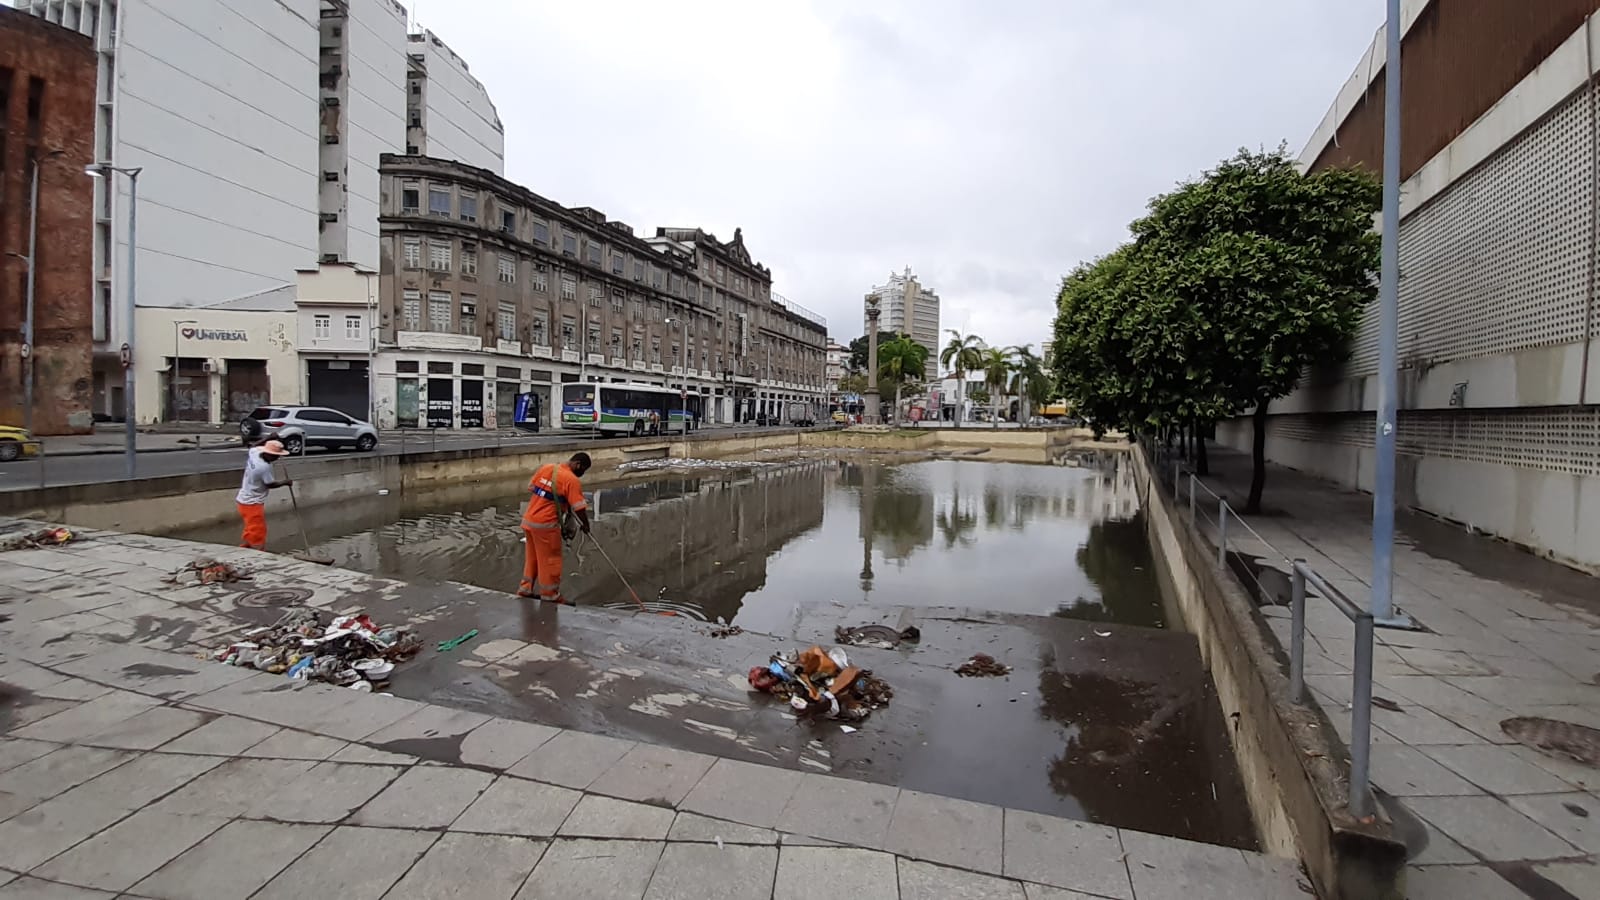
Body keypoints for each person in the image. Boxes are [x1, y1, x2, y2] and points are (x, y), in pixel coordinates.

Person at [519, 451, 592, 603]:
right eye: (583, 470)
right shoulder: (571, 480)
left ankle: (525, 589)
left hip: (529, 521)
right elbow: (579, 508)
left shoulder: (547, 468)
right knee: (550, 560)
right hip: (546, 526)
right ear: (578, 464)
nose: (582, 474)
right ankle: (550, 595)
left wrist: (558, 499)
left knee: (533, 558)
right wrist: (585, 524)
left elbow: (532, 487)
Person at [237, 439, 292, 550]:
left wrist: (269, 437)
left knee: (250, 526)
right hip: (252, 502)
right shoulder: (263, 467)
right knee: (258, 529)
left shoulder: (255, 453)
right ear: (269, 454)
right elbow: (270, 484)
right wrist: (285, 482)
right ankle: (258, 550)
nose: (278, 458)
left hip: (243, 499)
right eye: (276, 456)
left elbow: (253, 446)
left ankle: (247, 546)